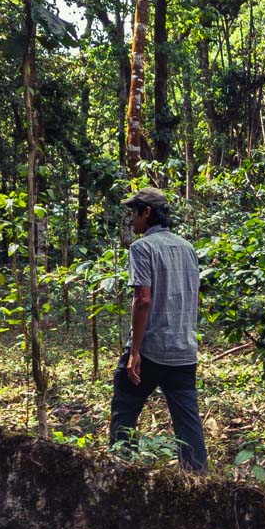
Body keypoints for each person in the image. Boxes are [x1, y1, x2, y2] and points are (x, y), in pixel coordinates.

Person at [110, 186, 208, 471]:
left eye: (134, 213)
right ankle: (197, 480)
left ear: (147, 212)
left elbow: (143, 300)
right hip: (184, 350)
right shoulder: (187, 248)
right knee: (188, 422)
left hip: (151, 349)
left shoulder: (142, 248)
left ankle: (120, 471)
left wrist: (135, 352)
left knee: (125, 407)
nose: (131, 220)